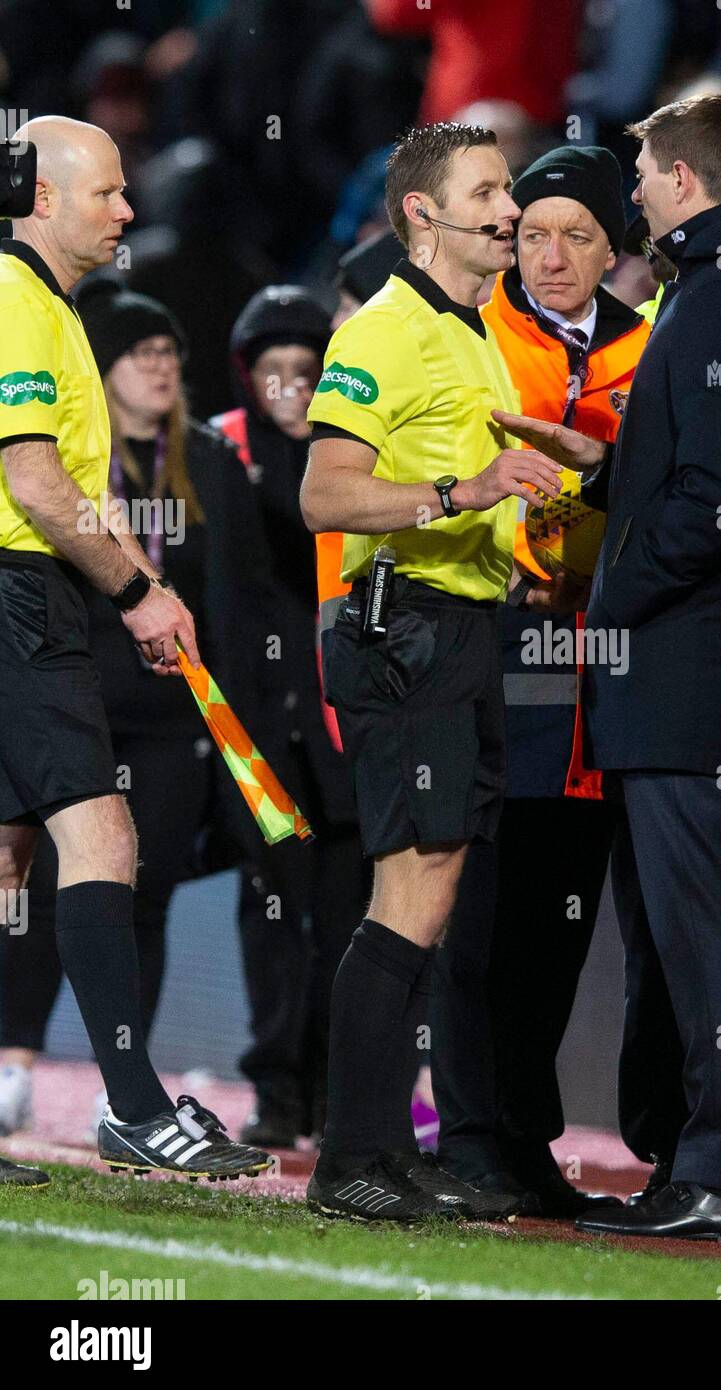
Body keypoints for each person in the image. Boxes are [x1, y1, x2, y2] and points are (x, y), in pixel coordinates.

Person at [496, 94, 721, 1244]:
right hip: (711, 658)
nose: (631, 185)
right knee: (713, 927)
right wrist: (606, 467)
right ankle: (710, 1164)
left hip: (693, 663)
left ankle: (719, 1175)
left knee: (711, 930)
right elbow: (701, 469)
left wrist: (615, 593)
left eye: (642, 169)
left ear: (687, 180)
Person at [299, 121, 564, 1223]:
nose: (511, 211)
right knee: (412, 885)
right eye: (490, 193)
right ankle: (350, 1158)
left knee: (433, 886)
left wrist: (510, 552)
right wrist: (463, 496)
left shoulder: (470, 331)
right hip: (398, 627)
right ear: (423, 212)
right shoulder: (385, 330)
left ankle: (378, 1150)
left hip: (451, 624)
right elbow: (323, 493)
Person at [0, 115, 268, 1186]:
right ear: (47, 199)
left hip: (33, 595)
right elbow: (33, 484)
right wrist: (137, 593)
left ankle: (131, 1102)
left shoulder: (50, 306)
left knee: (12, 857)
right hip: (21, 597)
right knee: (103, 833)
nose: (128, 209)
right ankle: (135, 1106)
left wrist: (139, 588)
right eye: (108, 191)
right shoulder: (19, 301)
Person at [431, 145, 648, 1216]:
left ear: (618, 246)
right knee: (473, 910)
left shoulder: (650, 349)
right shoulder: (472, 336)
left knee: (557, 922)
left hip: (599, 675)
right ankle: (468, 1133)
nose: (550, 255)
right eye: (533, 232)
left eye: (577, 235)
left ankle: (521, 1139)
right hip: (490, 646)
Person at [210, 286, 366, 1150]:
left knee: (349, 919)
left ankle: (337, 1087)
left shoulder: (357, 458)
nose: (288, 390)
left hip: (343, 722)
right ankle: (276, 1090)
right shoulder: (222, 455)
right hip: (259, 730)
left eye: (304, 373)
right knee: (270, 914)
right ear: (246, 379)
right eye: (271, 374)